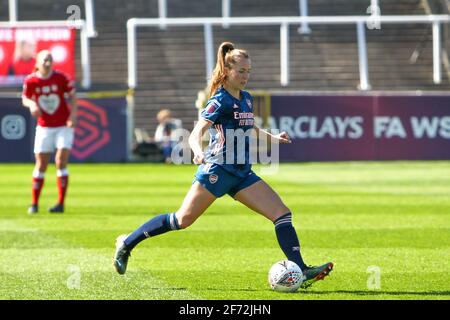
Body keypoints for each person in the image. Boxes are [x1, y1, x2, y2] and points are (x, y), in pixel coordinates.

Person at [113, 42, 333, 289]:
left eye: (248, 71)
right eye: (241, 71)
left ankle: (301, 271)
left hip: (241, 173)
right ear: (227, 71)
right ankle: (127, 244)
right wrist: (197, 152)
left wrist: (273, 137)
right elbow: (196, 132)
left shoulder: (247, 99)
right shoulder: (219, 101)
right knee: (181, 220)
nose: (245, 76)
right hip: (217, 169)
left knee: (282, 214)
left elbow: (248, 126)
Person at [22, 50, 77, 214]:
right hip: (44, 126)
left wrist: (73, 116)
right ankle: (34, 203)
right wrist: (32, 105)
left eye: (50, 60)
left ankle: (60, 204)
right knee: (41, 164)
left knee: (61, 161)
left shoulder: (61, 78)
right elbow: (25, 97)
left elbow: (73, 97)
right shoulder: (31, 80)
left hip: (63, 126)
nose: (48, 63)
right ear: (37, 63)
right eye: (45, 60)